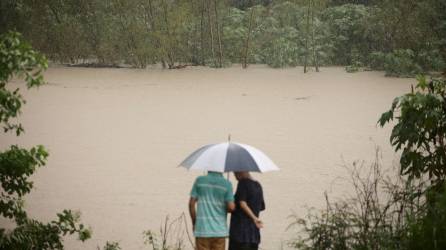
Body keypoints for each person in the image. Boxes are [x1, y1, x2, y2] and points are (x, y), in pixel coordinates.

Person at [189, 171, 235, 250]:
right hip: (219, 231)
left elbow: (191, 204)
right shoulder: (227, 184)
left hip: (202, 229)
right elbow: (231, 207)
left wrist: (194, 222)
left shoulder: (200, 181)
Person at [229, 171, 265, 250]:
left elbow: (242, 203)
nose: (235, 177)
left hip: (240, 233)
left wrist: (254, 218)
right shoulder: (258, 185)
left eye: (235, 173)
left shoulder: (243, 183)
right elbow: (262, 206)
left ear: (241, 172)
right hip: (254, 234)